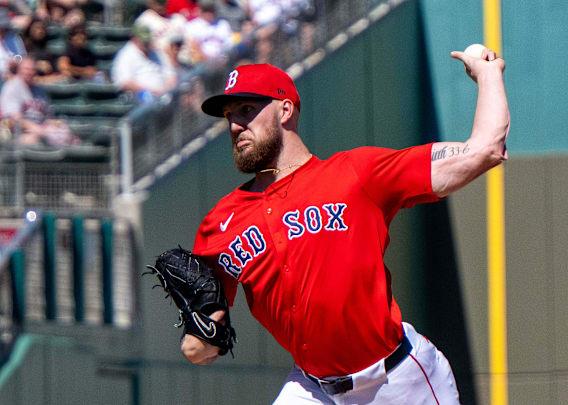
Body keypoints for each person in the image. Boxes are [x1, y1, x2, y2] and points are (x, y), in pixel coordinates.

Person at [183, 47, 509, 404]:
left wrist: (488, 74)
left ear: (285, 109)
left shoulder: (356, 174)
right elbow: (203, 346)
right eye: (229, 115)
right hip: (312, 389)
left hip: (397, 382)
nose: (235, 126)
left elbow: (483, 151)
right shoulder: (220, 223)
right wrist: (199, 339)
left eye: (247, 110)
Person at [0, 56, 78, 146]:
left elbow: (47, 117)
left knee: (66, 134)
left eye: (32, 69)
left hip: (40, 130)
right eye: (26, 69)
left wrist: (55, 124)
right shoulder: (12, 87)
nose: (29, 72)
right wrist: (38, 129)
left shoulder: (40, 90)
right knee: (37, 139)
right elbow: (14, 119)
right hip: (16, 134)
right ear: (19, 70)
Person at [111, 24, 176, 101]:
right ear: (134, 38)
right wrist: (152, 90)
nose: (146, 42)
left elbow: (170, 73)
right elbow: (124, 82)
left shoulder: (155, 52)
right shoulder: (126, 55)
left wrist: (169, 88)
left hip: (164, 98)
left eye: (147, 40)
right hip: (140, 101)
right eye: (143, 40)